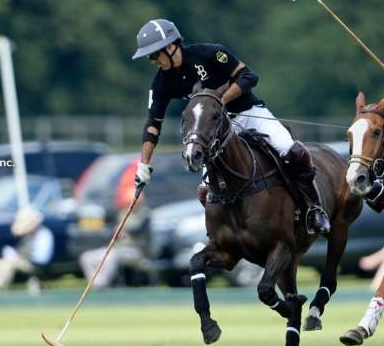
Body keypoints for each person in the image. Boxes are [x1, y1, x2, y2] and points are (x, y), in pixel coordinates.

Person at [131, 18, 329, 234]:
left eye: (154, 54)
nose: (152, 61)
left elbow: (249, 76)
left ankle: (314, 208)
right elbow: (153, 124)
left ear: (170, 47)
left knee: (293, 150)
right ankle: (227, 235)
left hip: (248, 113)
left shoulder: (209, 53)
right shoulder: (161, 82)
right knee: (205, 191)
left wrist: (219, 102)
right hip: (216, 130)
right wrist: (144, 165)